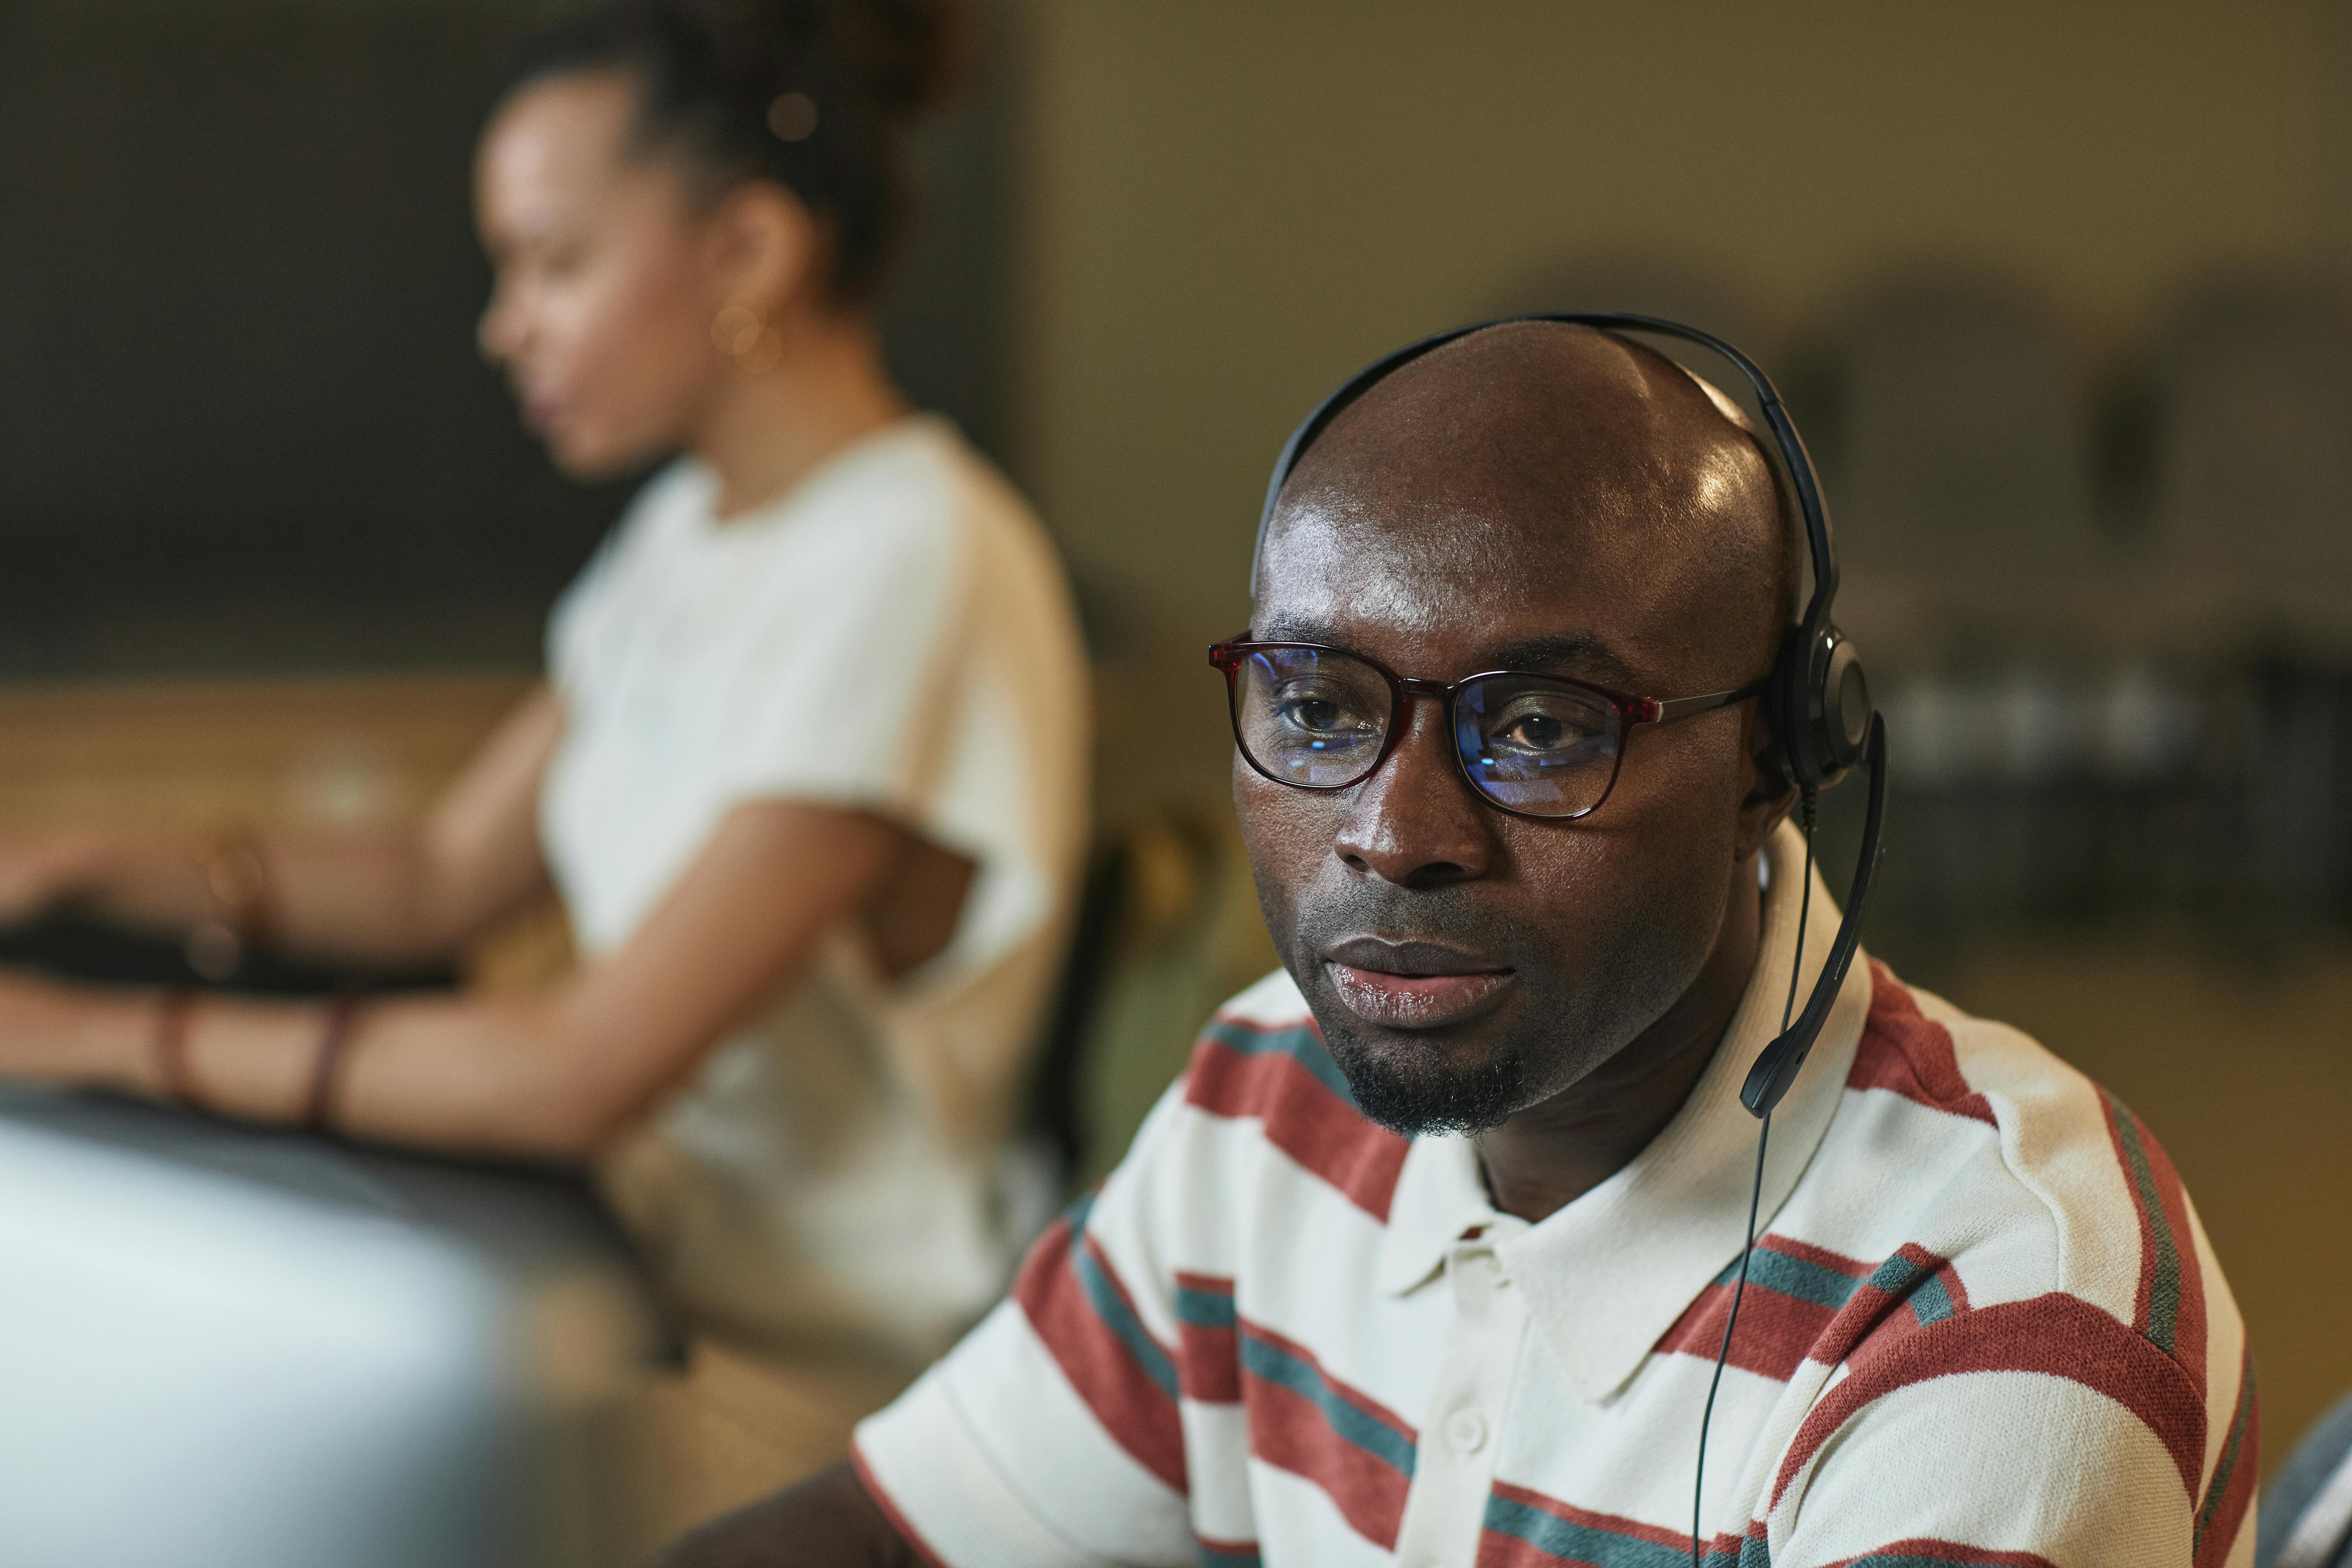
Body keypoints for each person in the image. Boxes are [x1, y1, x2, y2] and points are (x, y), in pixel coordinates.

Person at [656, 320, 2257, 1567]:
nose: (1396, 828)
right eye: (1318, 707)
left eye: (1543, 726)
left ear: (1782, 757)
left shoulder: (1992, 1314)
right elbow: (893, 1534)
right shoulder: (1266, 1100)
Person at [0, 0, 1087, 1531]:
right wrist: (84, 866)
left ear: (747, 253)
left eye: (554, 262)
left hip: (819, 1377)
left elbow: (580, 1069)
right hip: (626, 1269)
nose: (506, 324)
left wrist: (96, 1034)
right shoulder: (687, 541)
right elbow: (436, 880)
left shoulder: (913, 552)